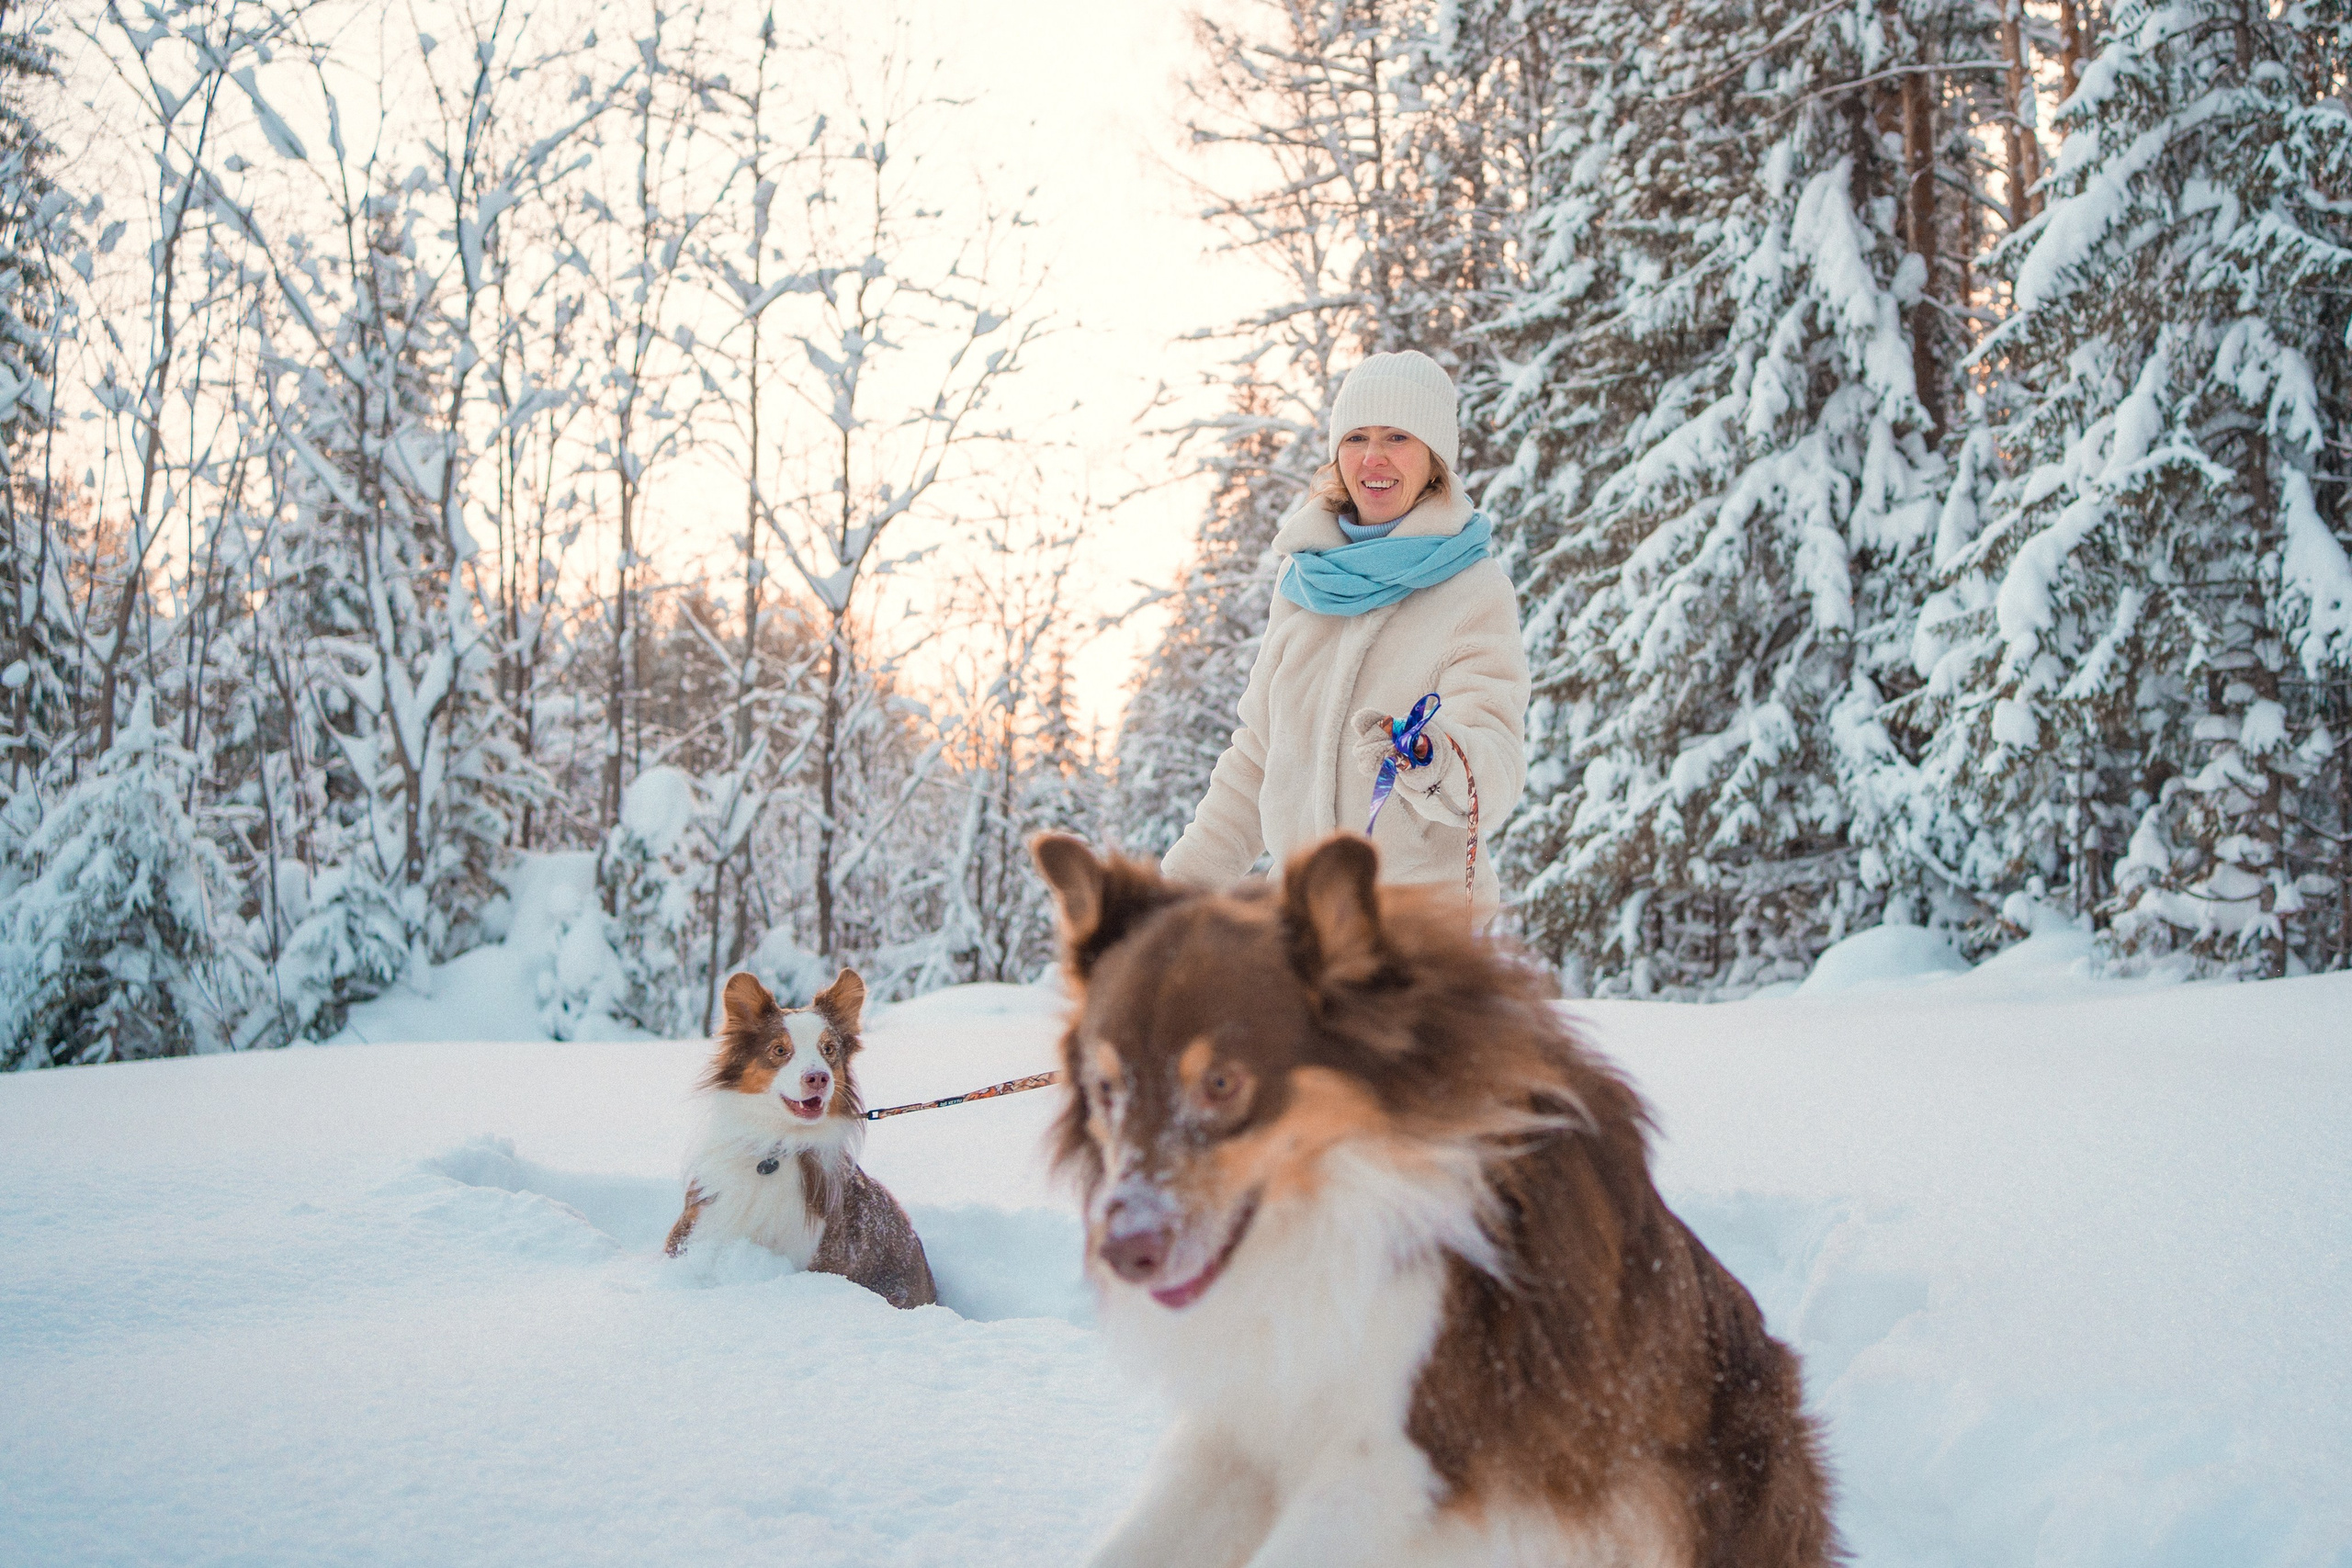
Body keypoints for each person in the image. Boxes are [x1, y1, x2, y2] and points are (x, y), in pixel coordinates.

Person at [1161, 350, 1530, 915]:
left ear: (1435, 460)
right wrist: (1174, 895)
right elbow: (1256, 760)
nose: (1373, 457)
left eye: (1397, 437)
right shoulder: (1305, 583)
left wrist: (1434, 757)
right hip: (1303, 929)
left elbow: (1496, 763)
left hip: (1415, 934)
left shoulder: (1472, 589)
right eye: (1356, 437)